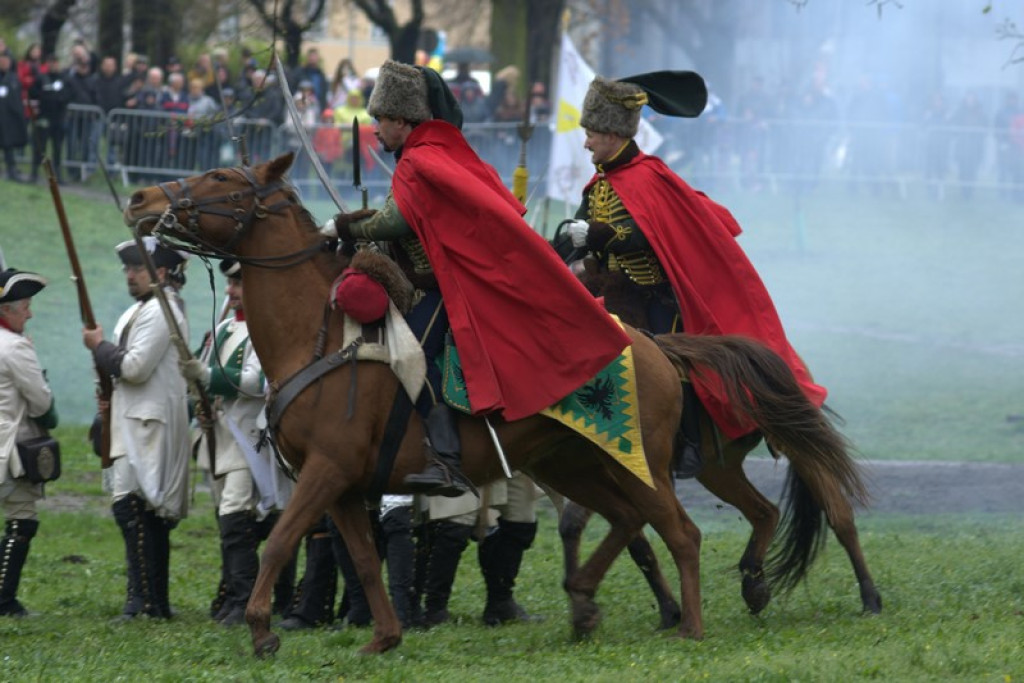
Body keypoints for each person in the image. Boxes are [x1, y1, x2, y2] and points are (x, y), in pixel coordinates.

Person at [330, 59, 629, 496]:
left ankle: (447, 459)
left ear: (400, 119)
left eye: (379, 119)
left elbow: (395, 221)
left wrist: (343, 227)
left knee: (408, 353)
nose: (374, 129)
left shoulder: (421, 158)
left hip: (451, 289)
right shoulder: (428, 153)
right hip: (438, 280)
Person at [564, 74, 827, 474]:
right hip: (615, 295)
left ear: (614, 133)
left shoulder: (649, 178)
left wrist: (602, 234)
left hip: (656, 300)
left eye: (592, 134)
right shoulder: (597, 185)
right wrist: (564, 239)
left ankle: (686, 444)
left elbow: (646, 236)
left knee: (670, 370)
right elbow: (583, 234)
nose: (586, 142)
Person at [82, 238, 191, 620]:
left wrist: (99, 347)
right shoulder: (144, 310)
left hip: (148, 424)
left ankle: (145, 602)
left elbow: (134, 367)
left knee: (139, 511)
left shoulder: (163, 309)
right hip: (135, 420)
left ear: (160, 273)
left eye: (137, 268)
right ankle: (148, 601)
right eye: (128, 269)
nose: (130, 275)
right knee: (137, 511)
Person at [180, 259, 293, 626]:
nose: (229, 290)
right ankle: (234, 596)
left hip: (250, 438)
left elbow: (256, 382)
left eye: (238, 283)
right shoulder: (224, 329)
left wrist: (208, 375)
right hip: (222, 438)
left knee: (235, 514)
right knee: (229, 519)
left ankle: (246, 600)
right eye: (229, 283)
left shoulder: (269, 329)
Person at [0, 268, 58, 616]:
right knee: (23, 519)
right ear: (6, 310)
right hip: (10, 447)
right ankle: (4, 600)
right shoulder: (16, 348)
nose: (31, 313)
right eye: (24, 306)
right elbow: (41, 404)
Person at [28, 53, 71, 184]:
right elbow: (33, 92)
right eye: (51, 62)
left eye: (55, 62)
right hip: (44, 118)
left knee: (57, 148)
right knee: (40, 148)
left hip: (59, 119)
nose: (53, 65)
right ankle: (34, 173)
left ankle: (58, 175)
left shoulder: (64, 79)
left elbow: (68, 94)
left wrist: (58, 98)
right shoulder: (41, 78)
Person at [0, 50, 29, 182]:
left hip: (9, 119)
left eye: (6, 60)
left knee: (8, 145)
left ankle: (12, 170)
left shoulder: (13, 78)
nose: (4, 63)